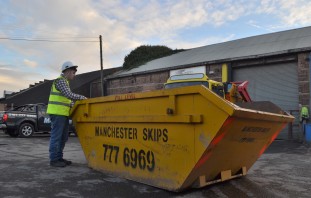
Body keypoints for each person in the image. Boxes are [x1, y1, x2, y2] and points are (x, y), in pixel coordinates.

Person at [47, 61, 87, 167]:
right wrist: (82, 98)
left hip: (63, 114)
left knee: (63, 137)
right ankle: (54, 159)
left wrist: (74, 105)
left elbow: (67, 100)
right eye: (73, 72)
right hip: (57, 113)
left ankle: (59, 158)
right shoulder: (60, 81)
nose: (74, 75)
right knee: (57, 136)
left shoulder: (65, 82)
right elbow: (68, 95)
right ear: (68, 71)